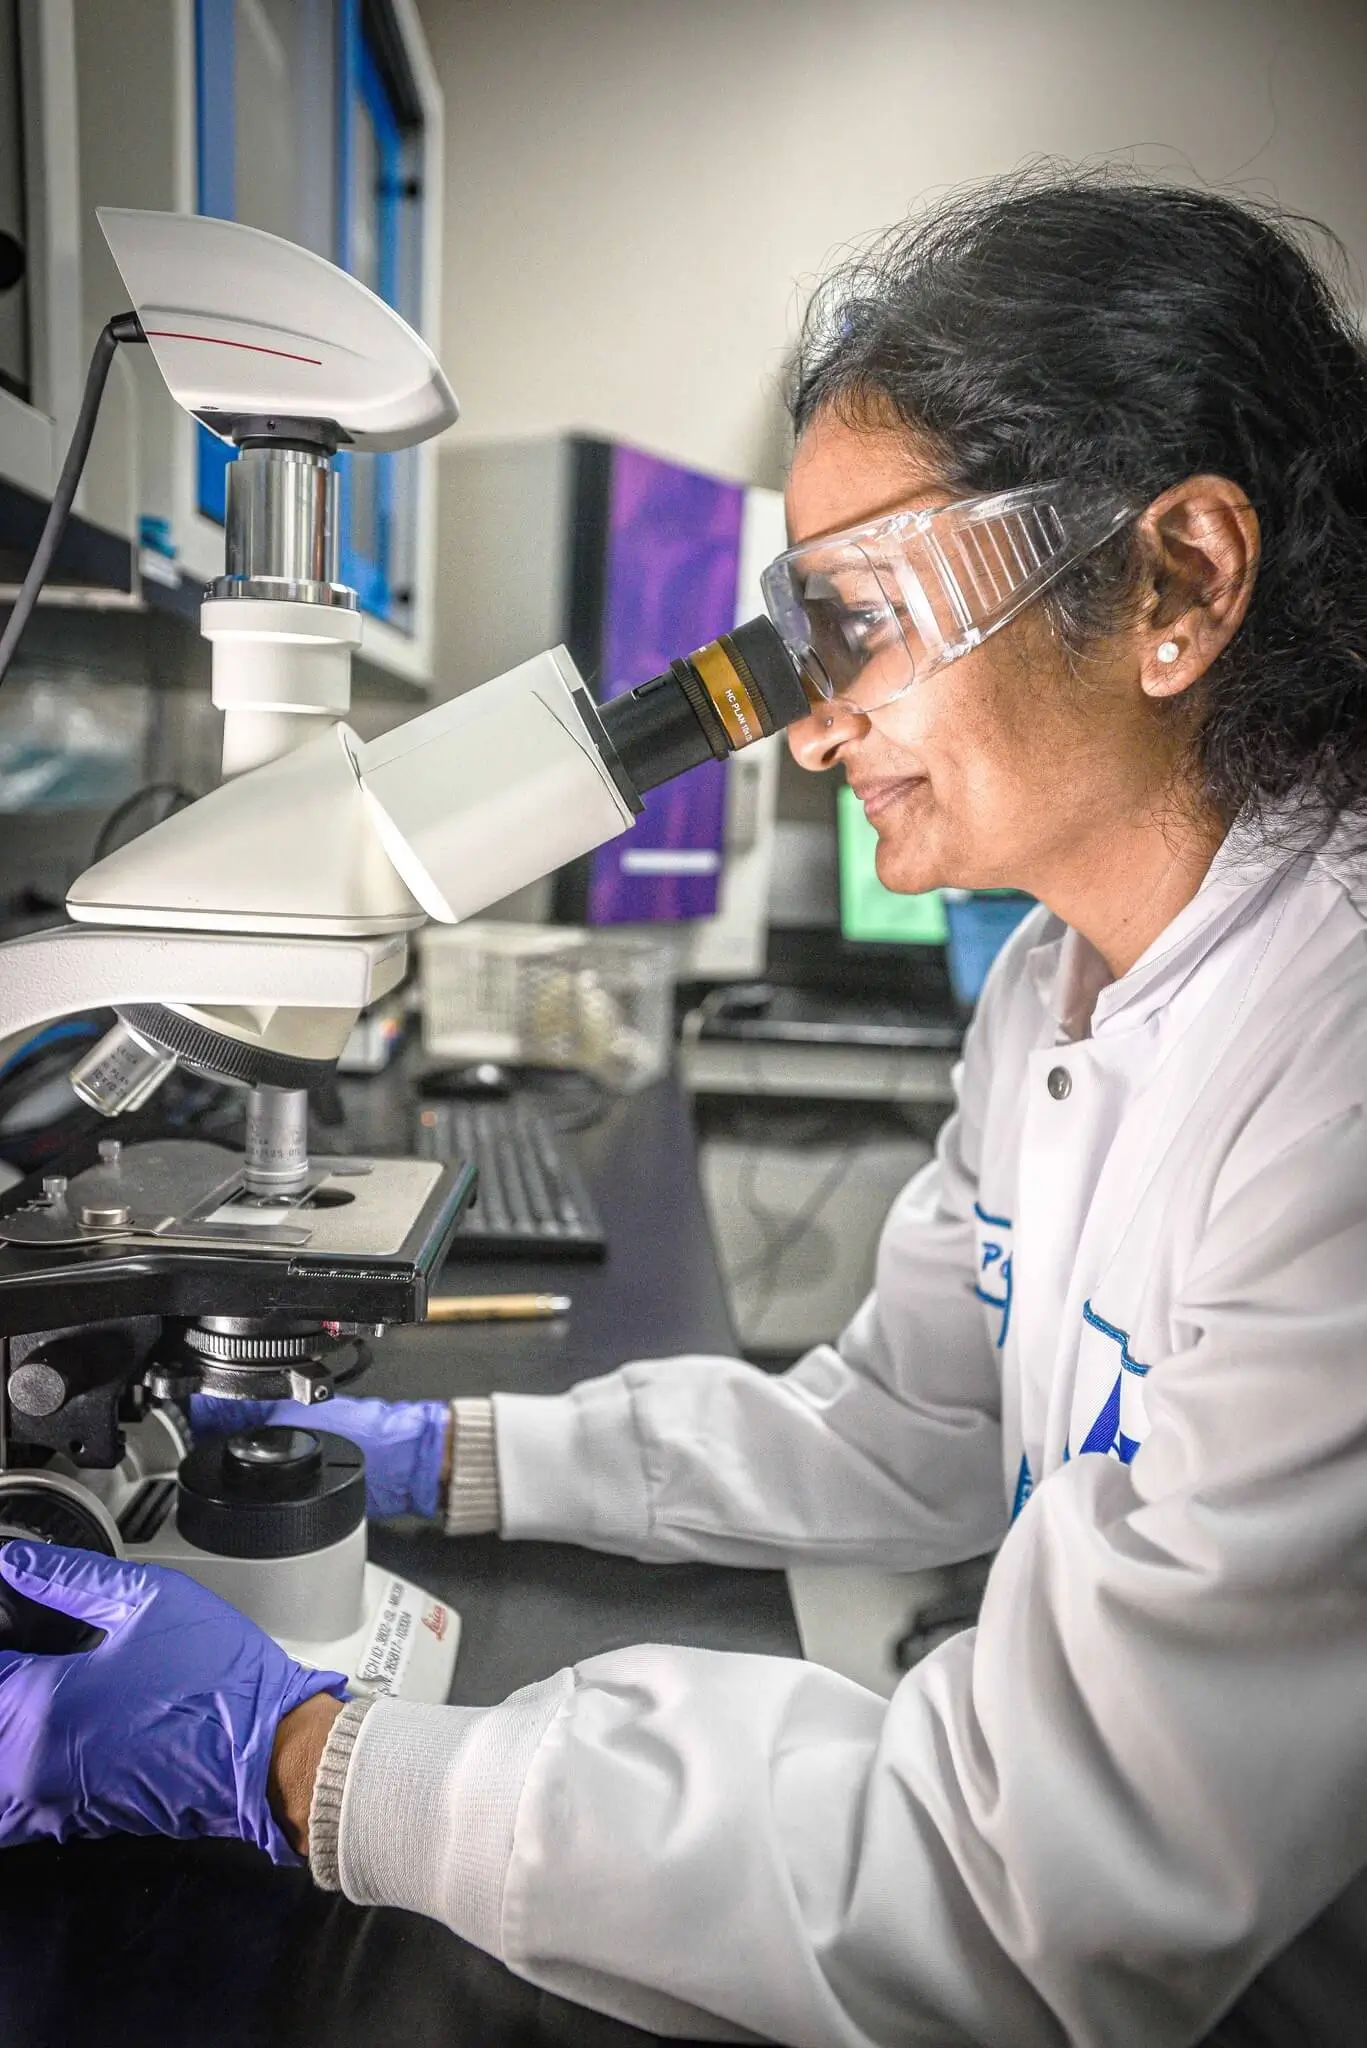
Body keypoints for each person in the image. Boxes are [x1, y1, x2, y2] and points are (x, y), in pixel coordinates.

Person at [6, 169, 1367, 2047]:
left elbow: (1025, 1893)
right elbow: (904, 1433)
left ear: (1176, 581)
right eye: (792, 641)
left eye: (858, 623)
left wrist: (309, 1759)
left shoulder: (1335, 1084)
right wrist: (441, 1457)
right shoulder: (1063, 977)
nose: (807, 727)